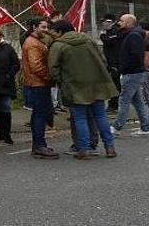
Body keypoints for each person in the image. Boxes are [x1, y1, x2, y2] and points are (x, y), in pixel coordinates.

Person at [48, 20, 118, 159]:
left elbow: (53, 68)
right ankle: (110, 147)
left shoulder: (58, 45)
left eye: (53, 32)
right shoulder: (88, 40)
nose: (52, 35)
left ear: (60, 32)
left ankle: (84, 149)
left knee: (80, 118)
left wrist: (61, 80)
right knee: (100, 116)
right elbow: (102, 59)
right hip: (96, 83)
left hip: (74, 85)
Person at [21, 18, 58, 159]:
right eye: (43, 27)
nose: (46, 29)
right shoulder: (32, 44)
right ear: (34, 27)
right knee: (39, 115)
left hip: (39, 83)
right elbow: (36, 66)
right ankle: (39, 146)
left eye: (46, 27)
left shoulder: (36, 42)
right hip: (38, 84)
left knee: (39, 114)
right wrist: (50, 77)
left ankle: (38, 145)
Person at [111, 14, 149, 137]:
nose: (119, 22)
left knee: (124, 100)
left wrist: (125, 68)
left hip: (131, 73)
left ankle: (117, 127)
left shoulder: (133, 36)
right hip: (133, 72)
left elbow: (135, 55)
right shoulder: (130, 35)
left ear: (129, 23)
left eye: (122, 21)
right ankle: (146, 127)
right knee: (138, 101)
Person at [99, 14, 122, 112]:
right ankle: (113, 103)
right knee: (112, 83)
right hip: (110, 61)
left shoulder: (115, 31)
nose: (102, 24)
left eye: (103, 22)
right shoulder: (109, 31)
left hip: (115, 62)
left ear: (109, 22)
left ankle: (114, 104)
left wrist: (102, 36)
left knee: (115, 84)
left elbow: (109, 42)